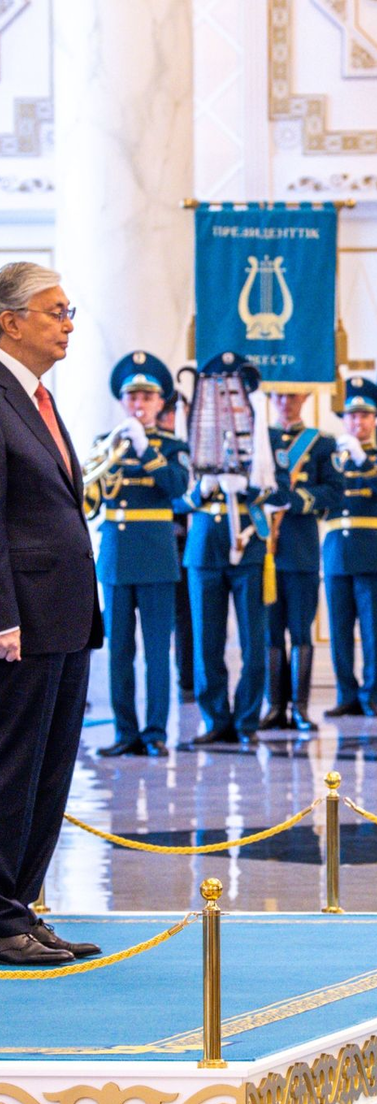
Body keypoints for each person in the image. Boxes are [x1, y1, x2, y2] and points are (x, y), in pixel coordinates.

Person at [0, 261, 104, 966]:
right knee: (12, 767)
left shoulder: (37, 396)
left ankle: (24, 905)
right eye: (55, 310)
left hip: (63, 612)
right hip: (21, 620)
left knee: (49, 769)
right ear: (11, 321)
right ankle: (0, 915)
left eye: (71, 311)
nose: (68, 323)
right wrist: (2, 614)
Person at [92, 351, 190, 756]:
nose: (138, 404)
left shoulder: (172, 446)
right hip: (116, 558)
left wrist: (146, 450)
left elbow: (176, 486)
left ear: (159, 403)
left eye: (147, 398)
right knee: (119, 654)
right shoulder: (105, 444)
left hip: (154, 559)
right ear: (122, 401)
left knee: (155, 653)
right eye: (132, 397)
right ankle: (125, 732)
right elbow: (92, 498)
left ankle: (155, 733)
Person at [178, 353, 277, 750]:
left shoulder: (261, 428)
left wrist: (250, 489)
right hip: (205, 546)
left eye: (232, 385)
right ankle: (215, 717)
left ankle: (247, 718)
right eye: (219, 384)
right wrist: (199, 492)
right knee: (207, 641)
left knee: (254, 641)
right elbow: (176, 498)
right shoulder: (192, 426)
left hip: (248, 544)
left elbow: (279, 488)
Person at [323, 378, 377, 718]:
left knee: (373, 630)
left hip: (370, 549)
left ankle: (371, 696)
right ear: (344, 421)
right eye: (352, 417)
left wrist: (363, 460)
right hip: (336, 551)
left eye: (365, 416)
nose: (358, 423)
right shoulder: (331, 459)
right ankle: (346, 694)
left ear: (374, 421)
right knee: (340, 631)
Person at [259, 387, 337, 732]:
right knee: (270, 632)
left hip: (301, 550)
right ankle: (275, 707)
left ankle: (301, 708)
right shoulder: (261, 440)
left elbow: (335, 491)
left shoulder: (320, 443)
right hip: (265, 552)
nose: (284, 403)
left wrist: (296, 500)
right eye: (278, 397)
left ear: (304, 398)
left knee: (300, 631)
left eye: (291, 397)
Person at [158, 397, 194, 702]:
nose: (173, 418)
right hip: (155, 542)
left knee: (186, 617)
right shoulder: (155, 446)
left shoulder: (183, 448)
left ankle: (187, 680)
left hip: (184, 545)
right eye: (169, 413)